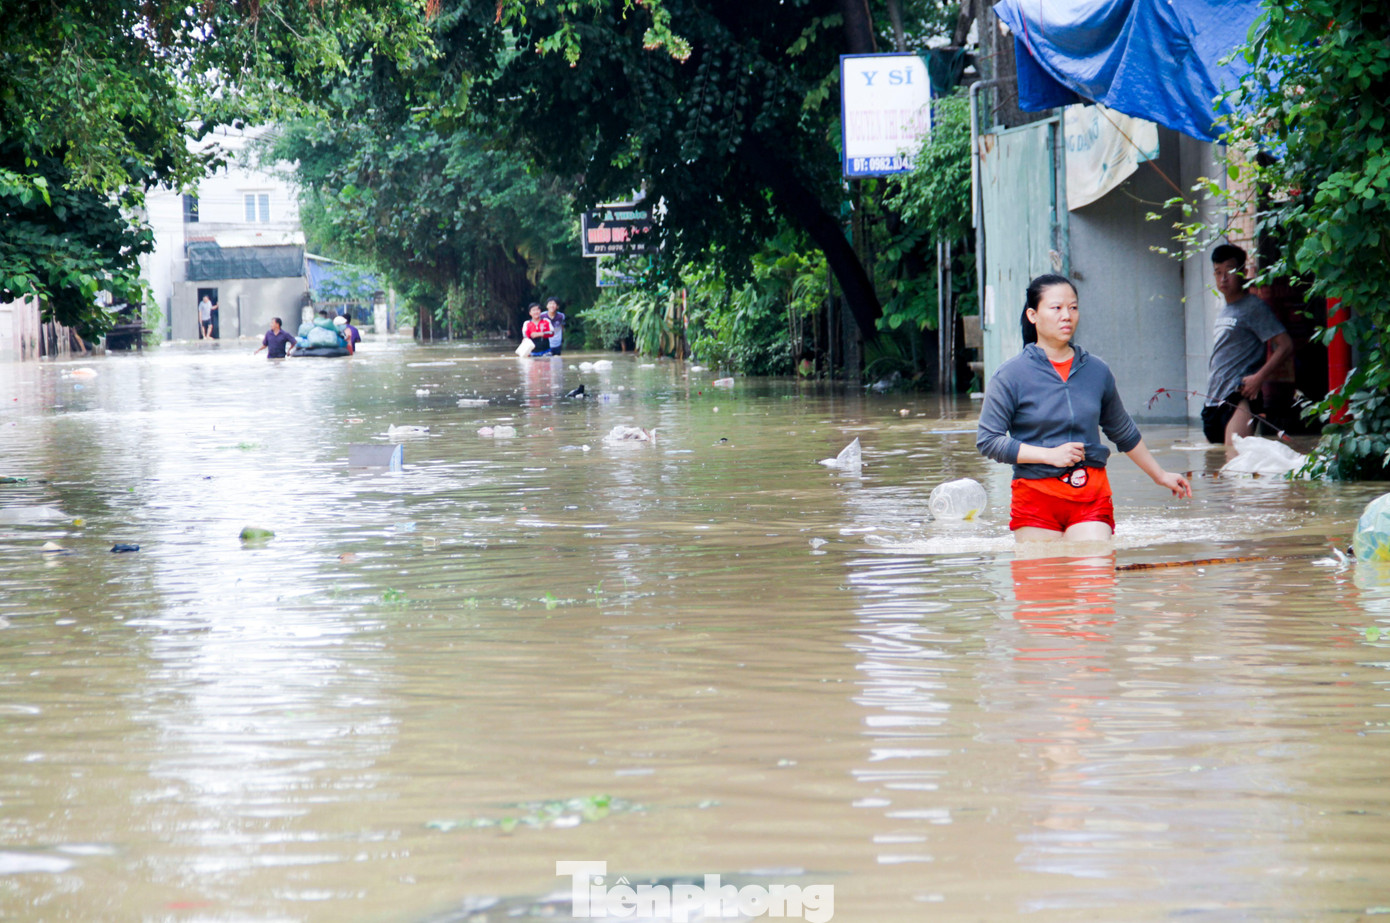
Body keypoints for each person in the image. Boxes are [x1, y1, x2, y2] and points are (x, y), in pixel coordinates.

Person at [976, 274, 1191, 544]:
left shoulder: (1096, 371)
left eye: (1073, 307)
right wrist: (1049, 456)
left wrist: (1160, 475)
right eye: (1056, 308)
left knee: (1094, 579)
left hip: (1091, 494)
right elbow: (988, 440)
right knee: (1041, 583)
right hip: (1035, 497)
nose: (1067, 315)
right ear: (1033, 315)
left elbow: (1122, 431)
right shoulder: (1010, 375)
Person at [1203, 244, 1294, 445]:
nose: (1223, 278)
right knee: (1216, 468)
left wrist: (1259, 378)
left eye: (1230, 271)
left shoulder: (1254, 307)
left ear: (1243, 272)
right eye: (1218, 273)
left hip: (1239, 395)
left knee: (1236, 465)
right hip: (1214, 398)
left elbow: (1286, 344)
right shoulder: (1225, 310)